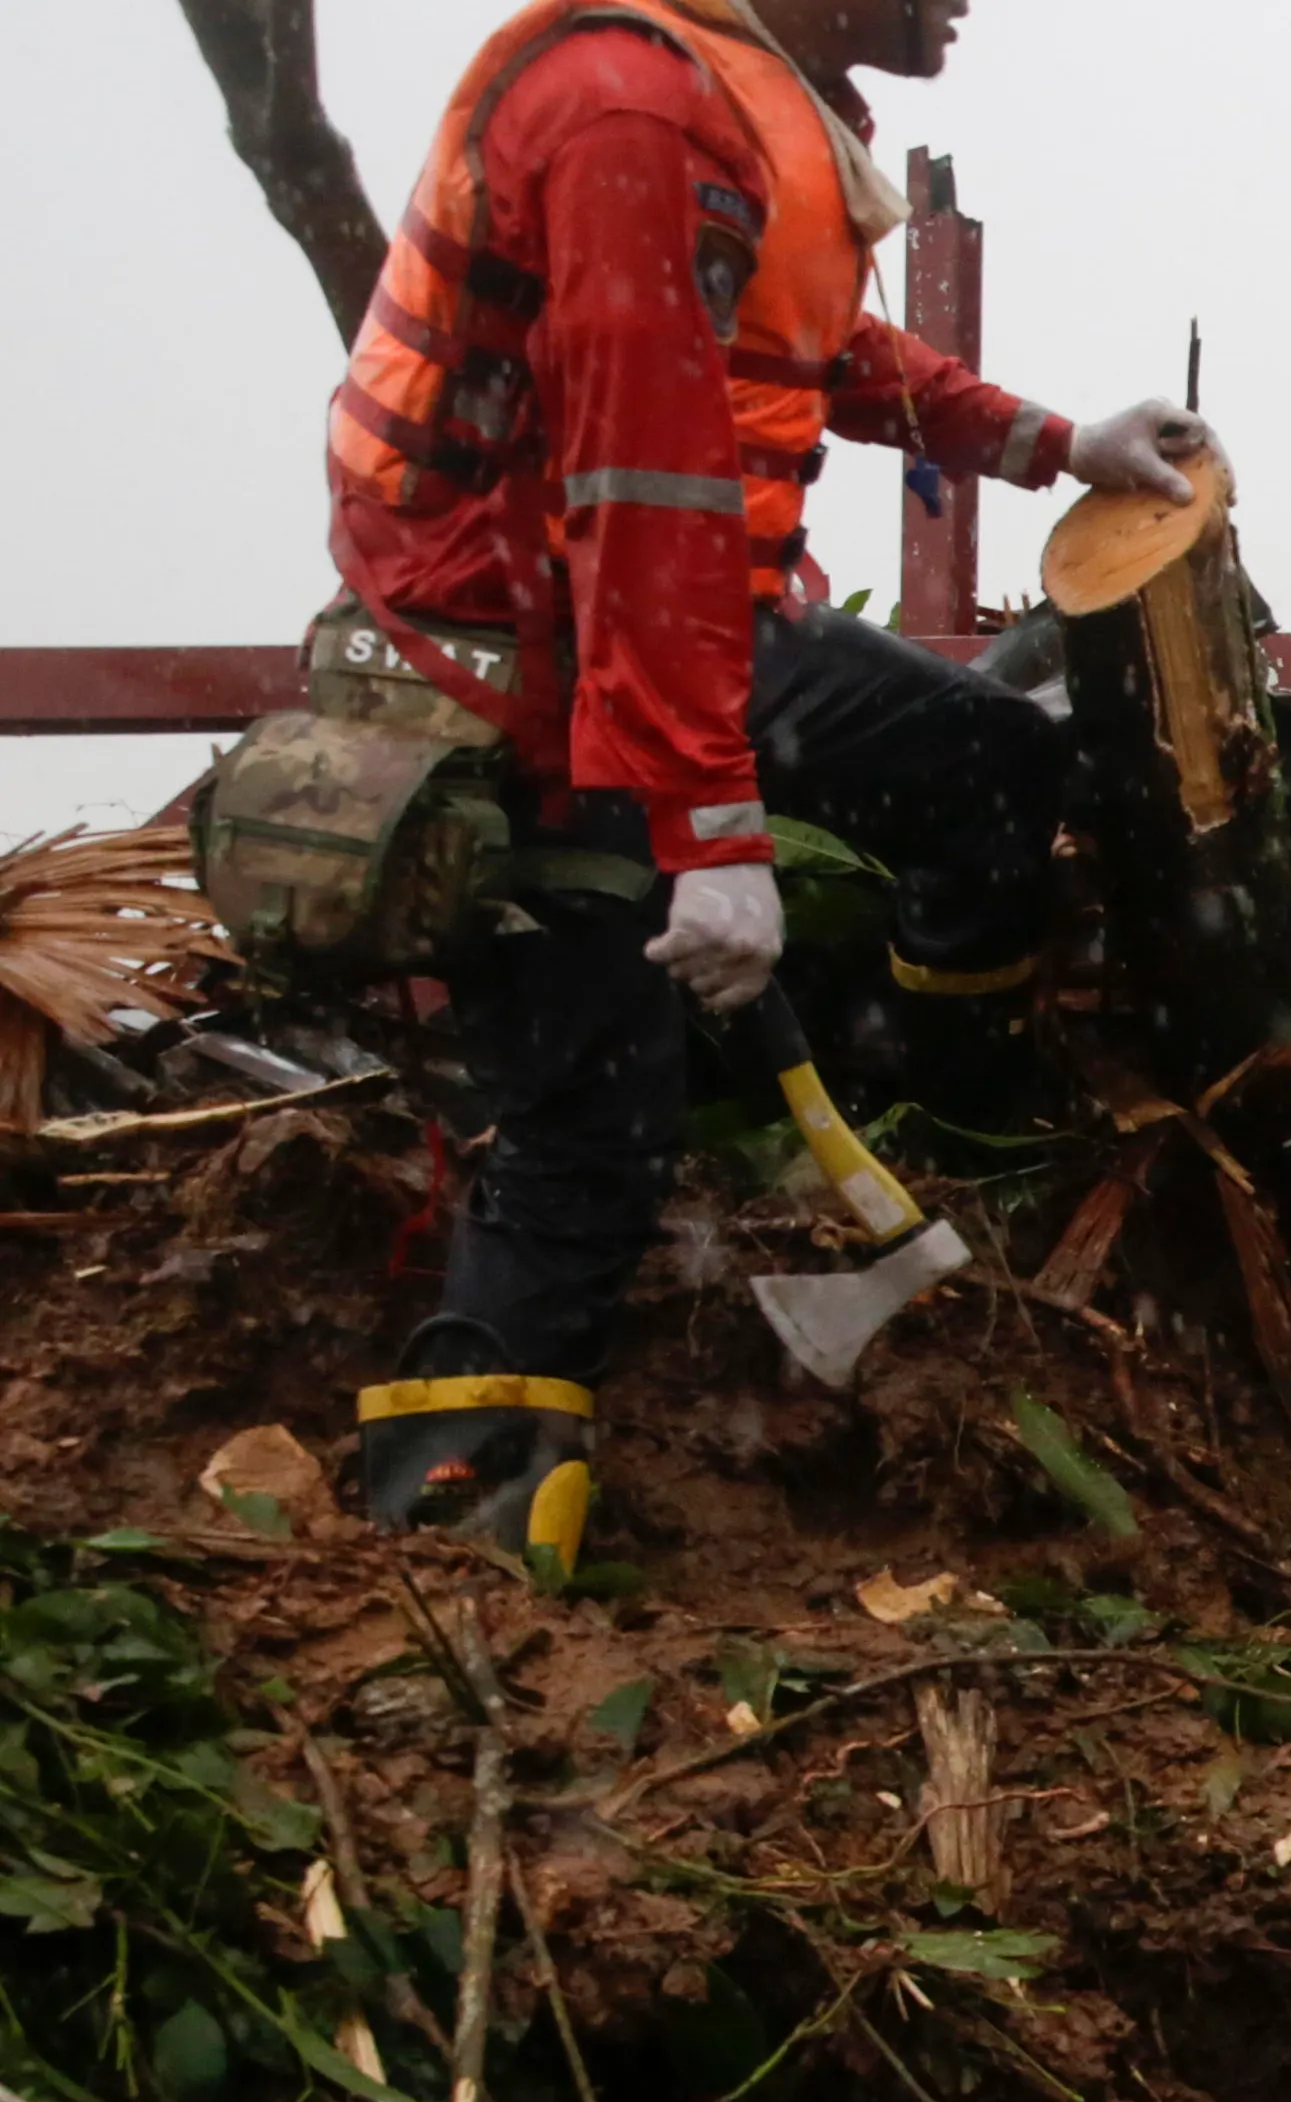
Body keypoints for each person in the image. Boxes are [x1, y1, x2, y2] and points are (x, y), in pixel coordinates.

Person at [328, 0, 1211, 1564]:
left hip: (674, 610)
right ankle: (447, 1551)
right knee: (593, 1111)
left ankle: (925, 1116)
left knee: (986, 760)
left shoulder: (748, 109)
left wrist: (1049, 440)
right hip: (539, 644)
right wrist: (706, 827)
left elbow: (804, 347)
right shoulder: (631, 117)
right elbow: (640, 490)